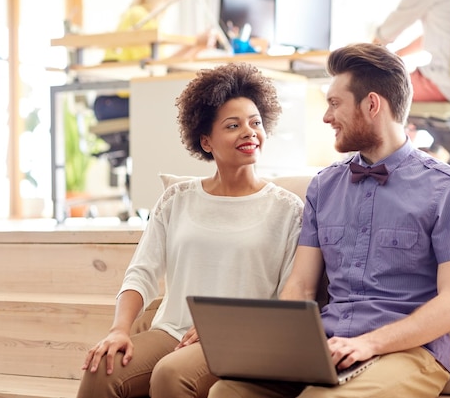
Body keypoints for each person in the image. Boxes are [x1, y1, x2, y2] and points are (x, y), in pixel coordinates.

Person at [208, 43, 450, 398]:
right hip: (328, 347)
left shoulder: (448, 188)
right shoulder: (324, 186)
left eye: (334, 103)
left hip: (408, 353)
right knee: (227, 392)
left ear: (371, 104)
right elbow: (301, 287)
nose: (326, 117)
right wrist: (275, 349)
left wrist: (369, 344)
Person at [76, 62, 304, 398]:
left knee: (172, 374)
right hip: (171, 329)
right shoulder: (176, 199)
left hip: (238, 337)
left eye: (256, 123)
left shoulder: (288, 210)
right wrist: (119, 329)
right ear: (206, 141)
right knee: (102, 371)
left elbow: (288, 300)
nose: (249, 132)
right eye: (233, 125)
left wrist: (224, 328)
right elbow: (141, 274)